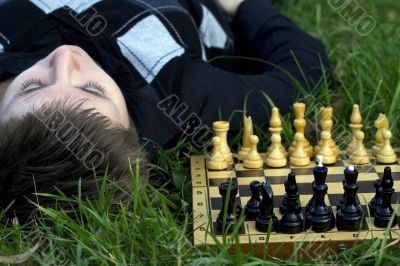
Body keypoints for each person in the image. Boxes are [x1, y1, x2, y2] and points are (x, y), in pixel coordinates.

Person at [0, 0, 331, 223]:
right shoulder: (180, 92)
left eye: (32, 87)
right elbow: (305, 72)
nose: (64, 58)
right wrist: (243, 5)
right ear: (131, 121)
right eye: (91, 89)